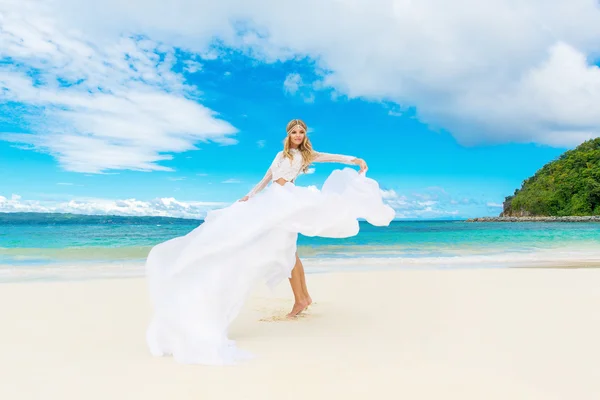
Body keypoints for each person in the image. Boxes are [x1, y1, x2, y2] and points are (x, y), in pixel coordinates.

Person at [145, 119, 395, 365]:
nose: (298, 135)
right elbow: (267, 178)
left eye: (302, 132)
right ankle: (302, 297)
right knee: (286, 251)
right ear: (288, 134)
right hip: (273, 201)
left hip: (289, 203)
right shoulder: (280, 154)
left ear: (305, 135)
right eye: (295, 132)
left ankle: (302, 298)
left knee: (285, 251)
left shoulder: (308, 155)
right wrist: (249, 196)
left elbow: (332, 157)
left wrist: (355, 160)